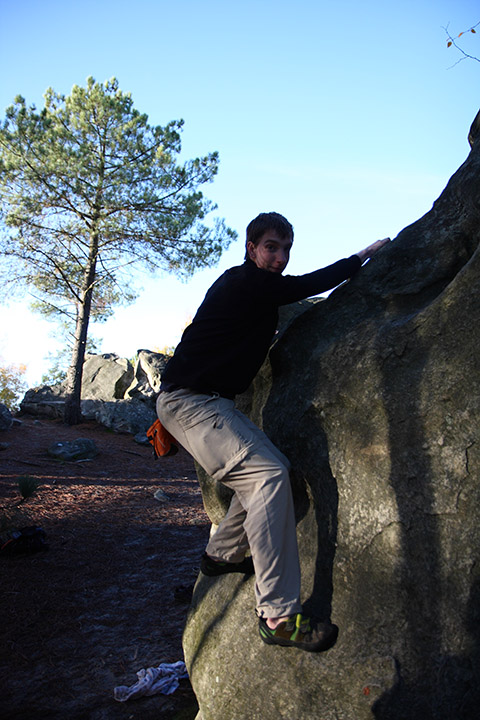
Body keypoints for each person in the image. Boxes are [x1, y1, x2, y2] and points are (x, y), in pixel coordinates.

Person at [156, 212, 390, 652]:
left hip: (205, 400)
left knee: (272, 469)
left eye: (286, 249)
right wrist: (361, 256)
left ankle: (222, 554)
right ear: (251, 248)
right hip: (190, 401)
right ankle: (278, 617)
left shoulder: (252, 290)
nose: (279, 257)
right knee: (266, 477)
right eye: (271, 247)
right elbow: (305, 286)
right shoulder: (247, 282)